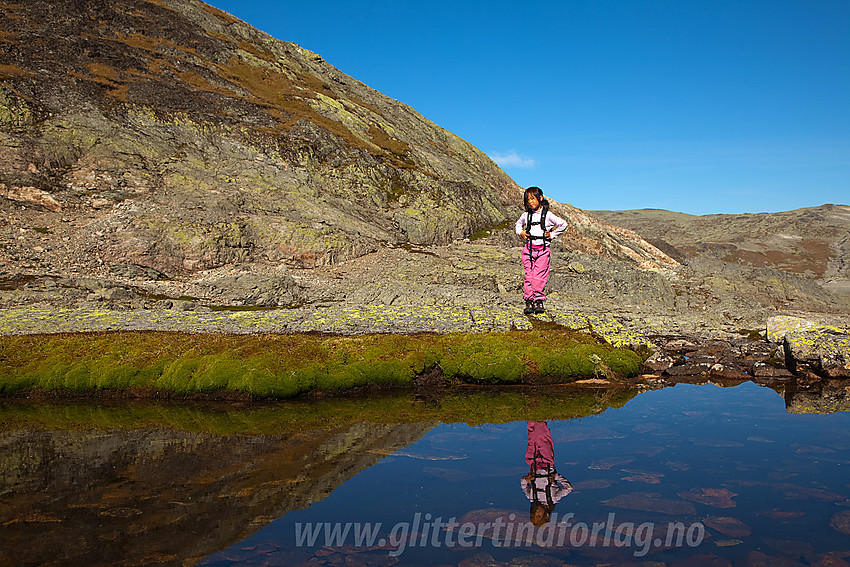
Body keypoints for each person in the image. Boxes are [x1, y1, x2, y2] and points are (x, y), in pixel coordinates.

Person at [515, 187, 568, 315]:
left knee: (539, 276)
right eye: (528, 200)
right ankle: (529, 301)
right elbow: (518, 224)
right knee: (529, 275)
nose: (530, 202)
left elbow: (563, 224)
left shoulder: (548, 215)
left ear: (541, 198)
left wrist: (552, 235)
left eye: (533, 199)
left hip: (543, 250)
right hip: (529, 249)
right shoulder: (526, 215)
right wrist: (521, 232)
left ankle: (538, 300)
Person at [522, 421, 572, 526]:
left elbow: (523, 484)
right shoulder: (554, 497)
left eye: (534, 514)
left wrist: (526, 479)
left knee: (532, 438)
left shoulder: (532, 497)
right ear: (546, 514)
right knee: (543, 439)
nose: (536, 512)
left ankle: (531, 418)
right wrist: (557, 477)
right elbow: (568, 488)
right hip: (547, 462)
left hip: (532, 462)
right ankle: (540, 419)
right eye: (538, 515)